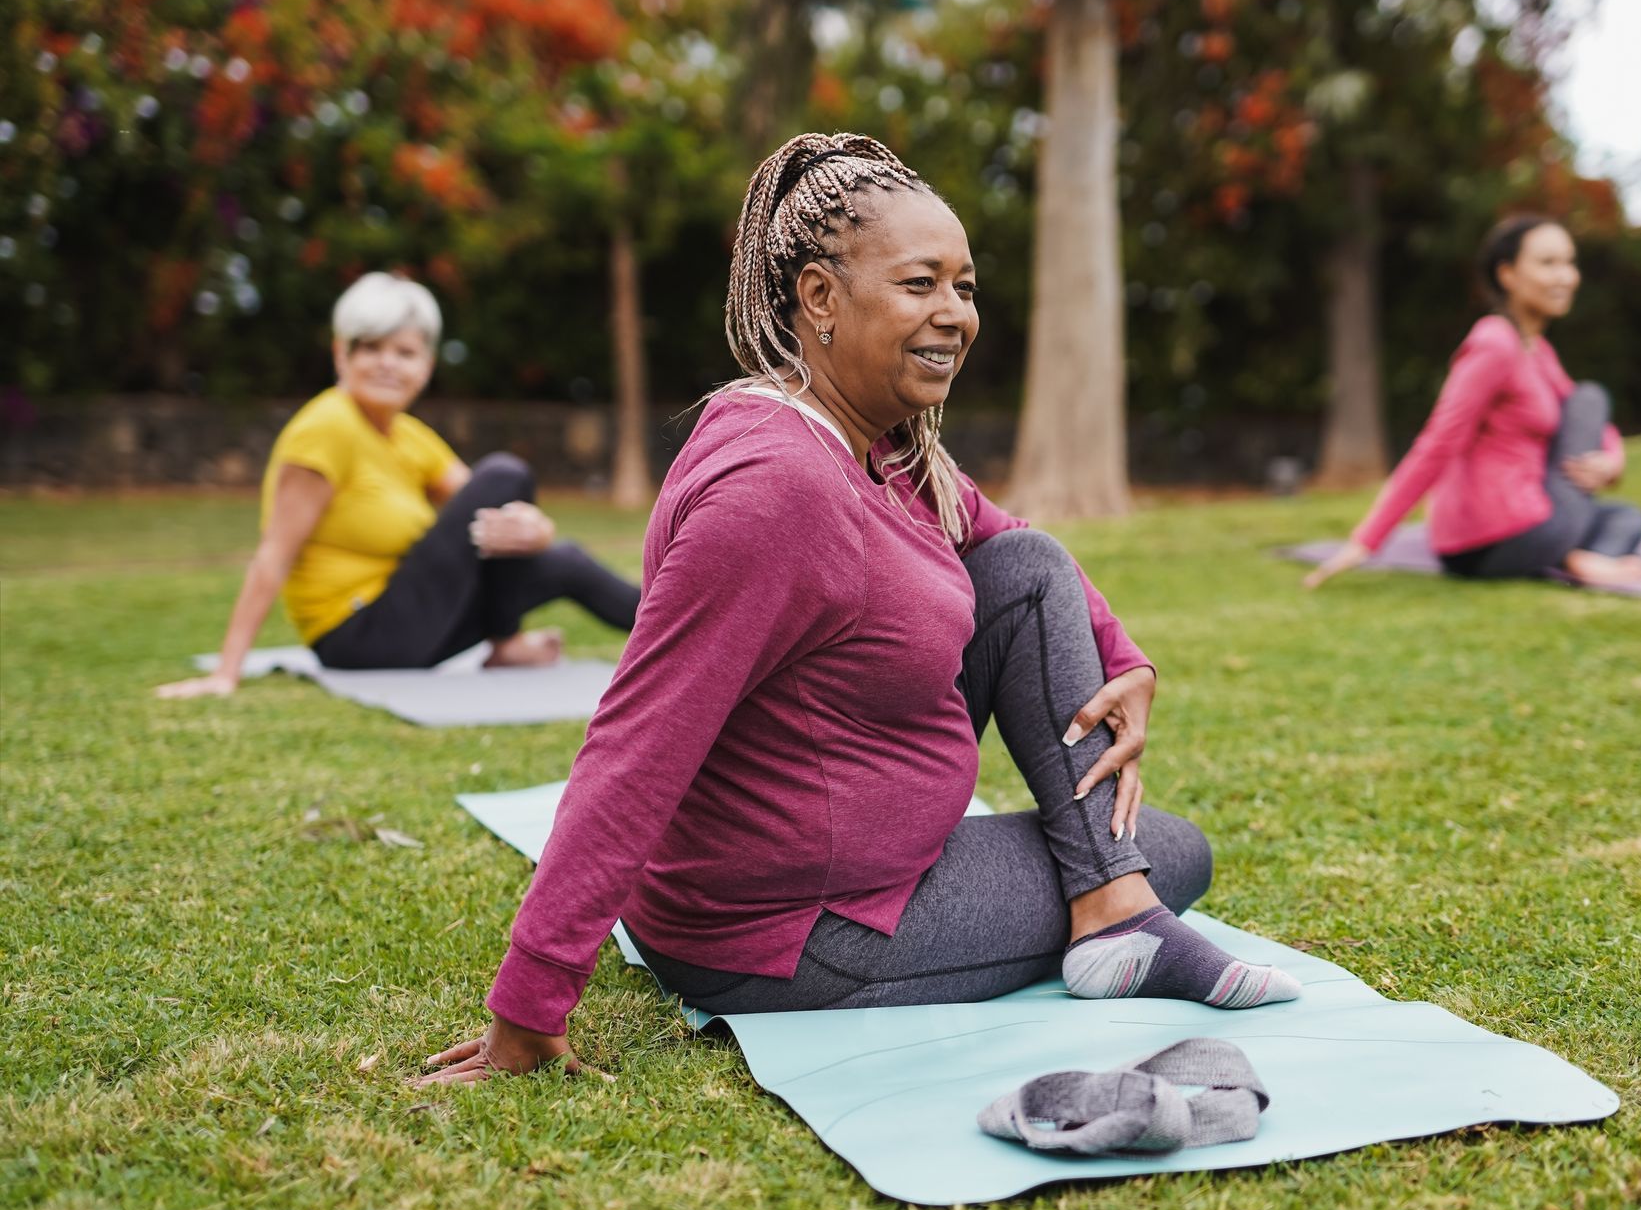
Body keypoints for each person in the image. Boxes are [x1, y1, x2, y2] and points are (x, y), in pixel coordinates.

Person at [416, 133, 1302, 1086]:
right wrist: (528, 1006)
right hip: (799, 930)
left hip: (851, 864)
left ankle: (1111, 905)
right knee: (1177, 850)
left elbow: (1007, 541)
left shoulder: (872, 448)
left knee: (1028, 567)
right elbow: (638, 741)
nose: (955, 314)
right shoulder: (777, 489)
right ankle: (1118, 906)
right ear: (821, 300)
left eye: (965, 287)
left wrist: (1127, 657)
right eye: (921, 282)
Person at [155, 273, 640, 698]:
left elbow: (490, 509)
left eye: (404, 352)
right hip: (359, 634)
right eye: (371, 348)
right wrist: (226, 672)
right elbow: (274, 553)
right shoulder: (326, 428)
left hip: (414, 619)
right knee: (506, 473)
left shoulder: (407, 435)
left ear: (425, 366)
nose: (388, 363)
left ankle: (691, 626)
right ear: (341, 355)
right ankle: (507, 643)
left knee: (565, 560)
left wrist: (536, 529)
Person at [1304, 215, 1641, 590]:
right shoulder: (1495, 343)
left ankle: (1577, 558)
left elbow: (1596, 426)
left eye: (1569, 263)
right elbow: (1438, 442)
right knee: (1590, 396)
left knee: (1627, 517)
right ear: (1507, 275)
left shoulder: (1537, 351)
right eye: (1548, 263)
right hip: (1497, 535)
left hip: (1523, 527)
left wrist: (1612, 462)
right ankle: (1575, 558)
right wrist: (1366, 540)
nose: (1566, 276)